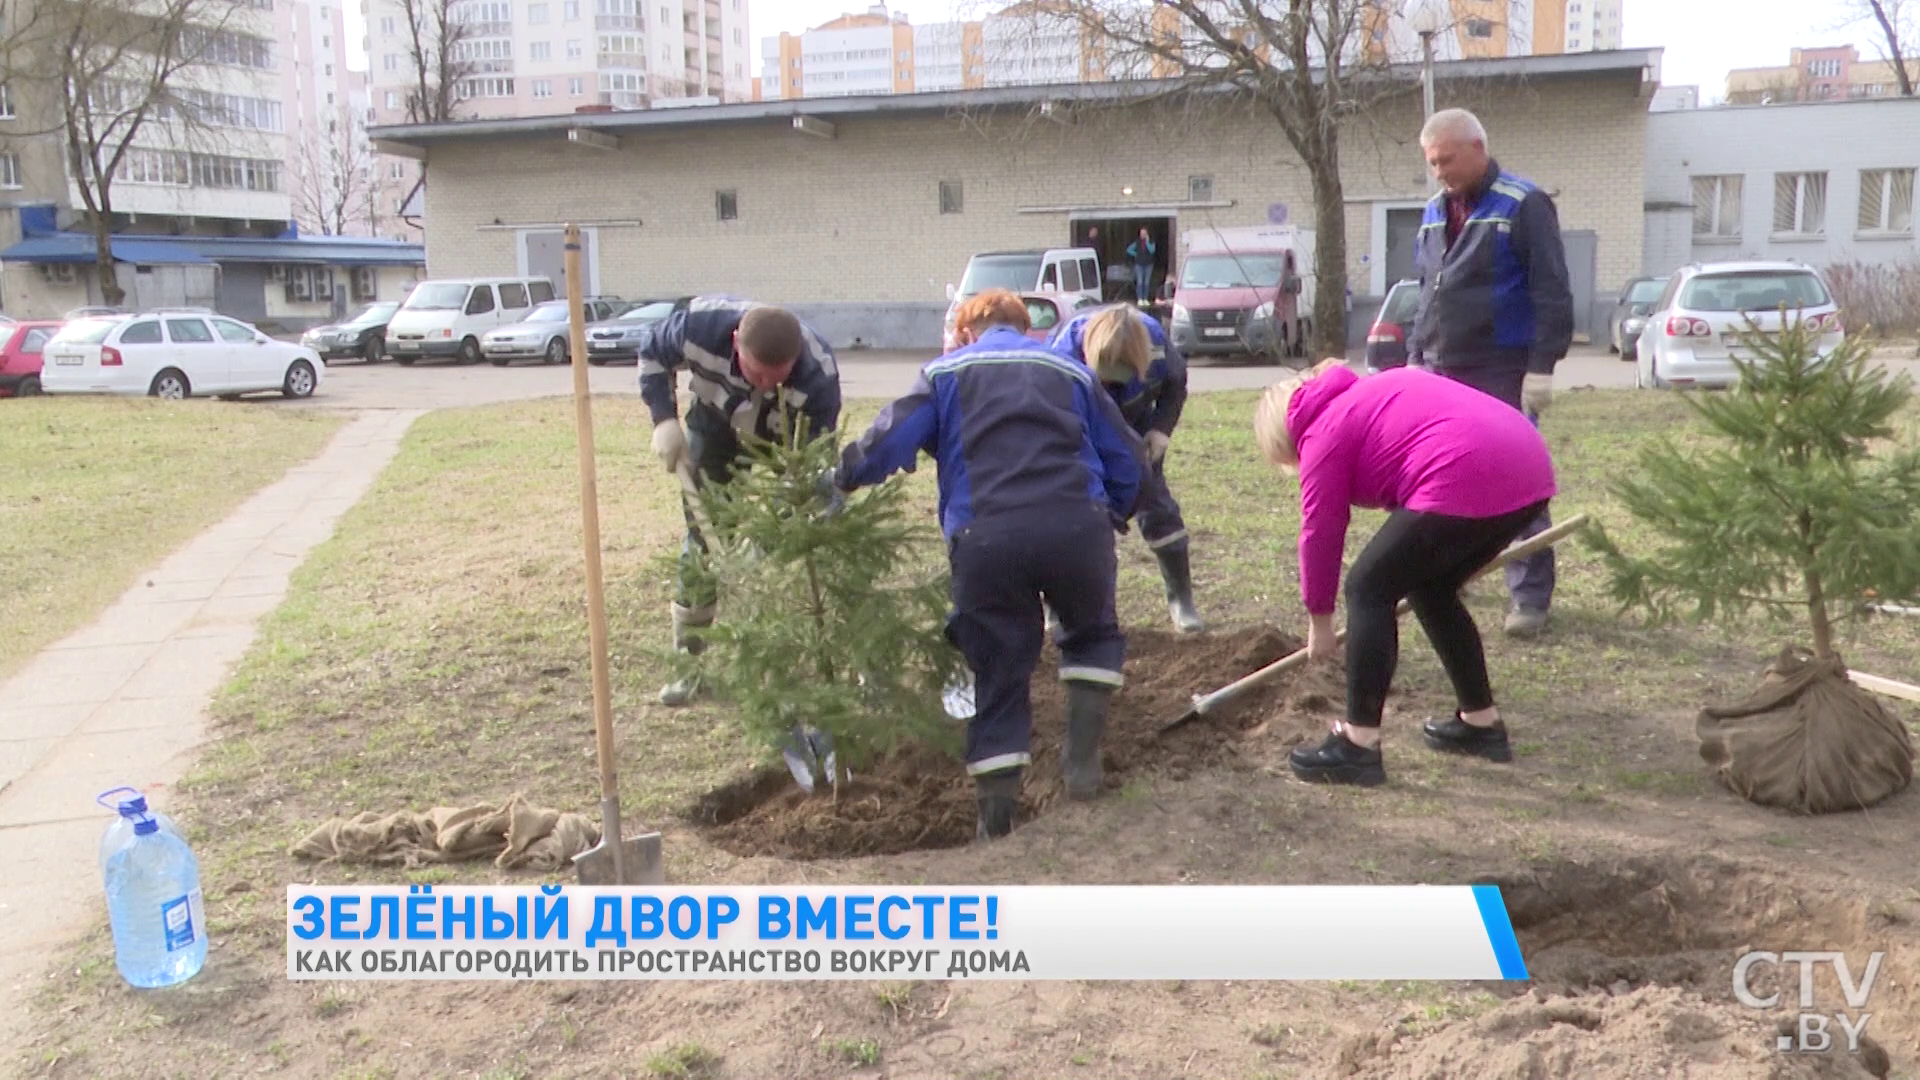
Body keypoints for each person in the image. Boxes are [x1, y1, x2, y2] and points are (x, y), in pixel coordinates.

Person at [827, 288, 1144, 839]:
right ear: (1026, 328)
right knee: (1091, 635)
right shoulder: (1070, 372)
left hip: (987, 537)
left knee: (999, 665)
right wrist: (1112, 511)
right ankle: (1082, 768)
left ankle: (995, 821)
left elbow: (890, 439)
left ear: (968, 330)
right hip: (1077, 527)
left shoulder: (946, 372)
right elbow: (1127, 456)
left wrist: (842, 477)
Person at [1251, 360, 1555, 788]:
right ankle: (1481, 723)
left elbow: (1320, 531)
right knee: (1431, 587)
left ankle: (1358, 746)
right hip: (1528, 467)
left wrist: (1319, 620)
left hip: (1464, 468)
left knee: (1368, 587)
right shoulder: (1377, 390)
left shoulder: (1321, 433)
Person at [1407, 107, 1573, 639]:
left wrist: (1541, 367)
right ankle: (1449, 574)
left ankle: (1528, 596)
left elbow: (1552, 289)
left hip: (1502, 368)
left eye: (1447, 160)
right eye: (1432, 163)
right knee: (1443, 481)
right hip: (1440, 370)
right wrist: (1415, 354)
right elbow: (1426, 290)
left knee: (1514, 479)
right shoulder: (1434, 212)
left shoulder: (1524, 205)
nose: (1439, 172)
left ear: (1477, 148)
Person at [639, 296, 843, 707]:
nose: (765, 383)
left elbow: (812, 472)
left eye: (776, 376)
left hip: (783, 438)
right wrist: (663, 418)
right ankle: (689, 663)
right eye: (756, 372)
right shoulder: (698, 328)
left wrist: (774, 535)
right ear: (735, 342)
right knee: (703, 541)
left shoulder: (817, 376)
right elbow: (652, 352)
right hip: (715, 424)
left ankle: (794, 663)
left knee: (810, 520)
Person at [1051, 304, 1203, 634]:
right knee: (1071, 518)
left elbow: (1176, 384)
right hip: (1080, 432)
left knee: (1157, 502)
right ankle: (1059, 605)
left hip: (1136, 426)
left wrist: (1161, 429)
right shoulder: (1061, 355)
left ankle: (1182, 601)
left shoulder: (1157, 344)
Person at [1126, 228, 1157, 306]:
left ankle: (1145, 299)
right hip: (1139, 264)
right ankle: (1140, 299)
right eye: (1141, 233)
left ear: (1147, 234)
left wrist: (1147, 242)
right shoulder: (1137, 242)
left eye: (1144, 233)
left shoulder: (1151, 242)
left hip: (1149, 264)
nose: (1142, 235)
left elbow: (1152, 251)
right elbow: (1128, 250)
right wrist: (1136, 254)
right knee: (1140, 282)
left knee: (1146, 282)